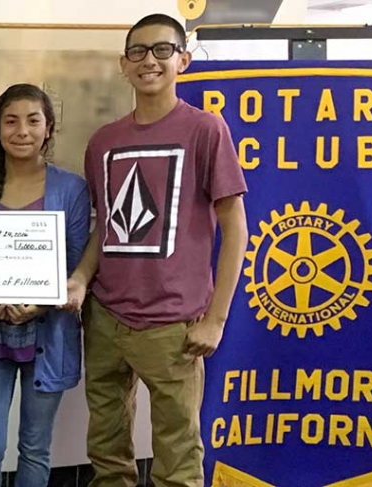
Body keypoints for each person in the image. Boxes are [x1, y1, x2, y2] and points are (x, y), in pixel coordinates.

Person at [61, 14, 249, 487]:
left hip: (173, 327)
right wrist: (81, 280)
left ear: (183, 60)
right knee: (106, 452)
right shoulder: (103, 142)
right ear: (123, 64)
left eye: (163, 50)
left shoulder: (206, 130)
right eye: (138, 51)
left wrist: (216, 319)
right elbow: (107, 228)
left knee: (178, 457)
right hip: (104, 320)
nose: (150, 60)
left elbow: (236, 228)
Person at [0, 84, 90, 487]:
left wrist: (42, 303)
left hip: (47, 335)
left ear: (48, 128)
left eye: (33, 120)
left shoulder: (71, 189)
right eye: (11, 121)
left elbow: (73, 264)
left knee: (35, 450)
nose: (22, 130)